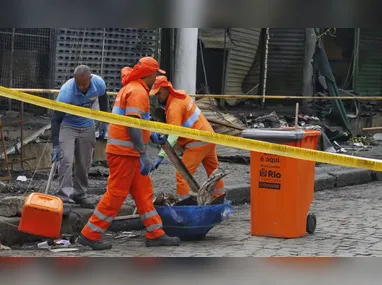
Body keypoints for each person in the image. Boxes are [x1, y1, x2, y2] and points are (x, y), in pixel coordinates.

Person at [76, 57, 181, 250]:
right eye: (156, 73)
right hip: (125, 152)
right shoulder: (138, 92)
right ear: (149, 74)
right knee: (115, 195)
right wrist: (143, 152)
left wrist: (151, 136)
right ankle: (89, 235)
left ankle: (155, 233)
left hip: (125, 151)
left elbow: (138, 124)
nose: (157, 77)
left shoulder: (131, 88)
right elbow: (132, 125)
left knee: (143, 194)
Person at [150, 76, 225, 200]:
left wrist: (161, 155)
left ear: (167, 88)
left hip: (196, 142)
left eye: (159, 93)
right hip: (209, 137)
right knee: (214, 173)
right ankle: (220, 198)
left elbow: (174, 135)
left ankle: (184, 204)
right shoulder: (181, 95)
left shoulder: (174, 107)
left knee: (182, 175)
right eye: (156, 94)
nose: (157, 96)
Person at [51, 65, 109, 214]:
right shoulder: (66, 92)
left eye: (85, 84)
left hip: (87, 124)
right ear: (74, 79)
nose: (82, 87)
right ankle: (64, 198)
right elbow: (56, 119)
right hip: (67, 125)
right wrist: (56, 145)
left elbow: (103, 99)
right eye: (79, 84)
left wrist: (104, 120)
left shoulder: (99, 83)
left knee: (84, 162)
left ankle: (79, 194)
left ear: (90, 78)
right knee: (66, 160)